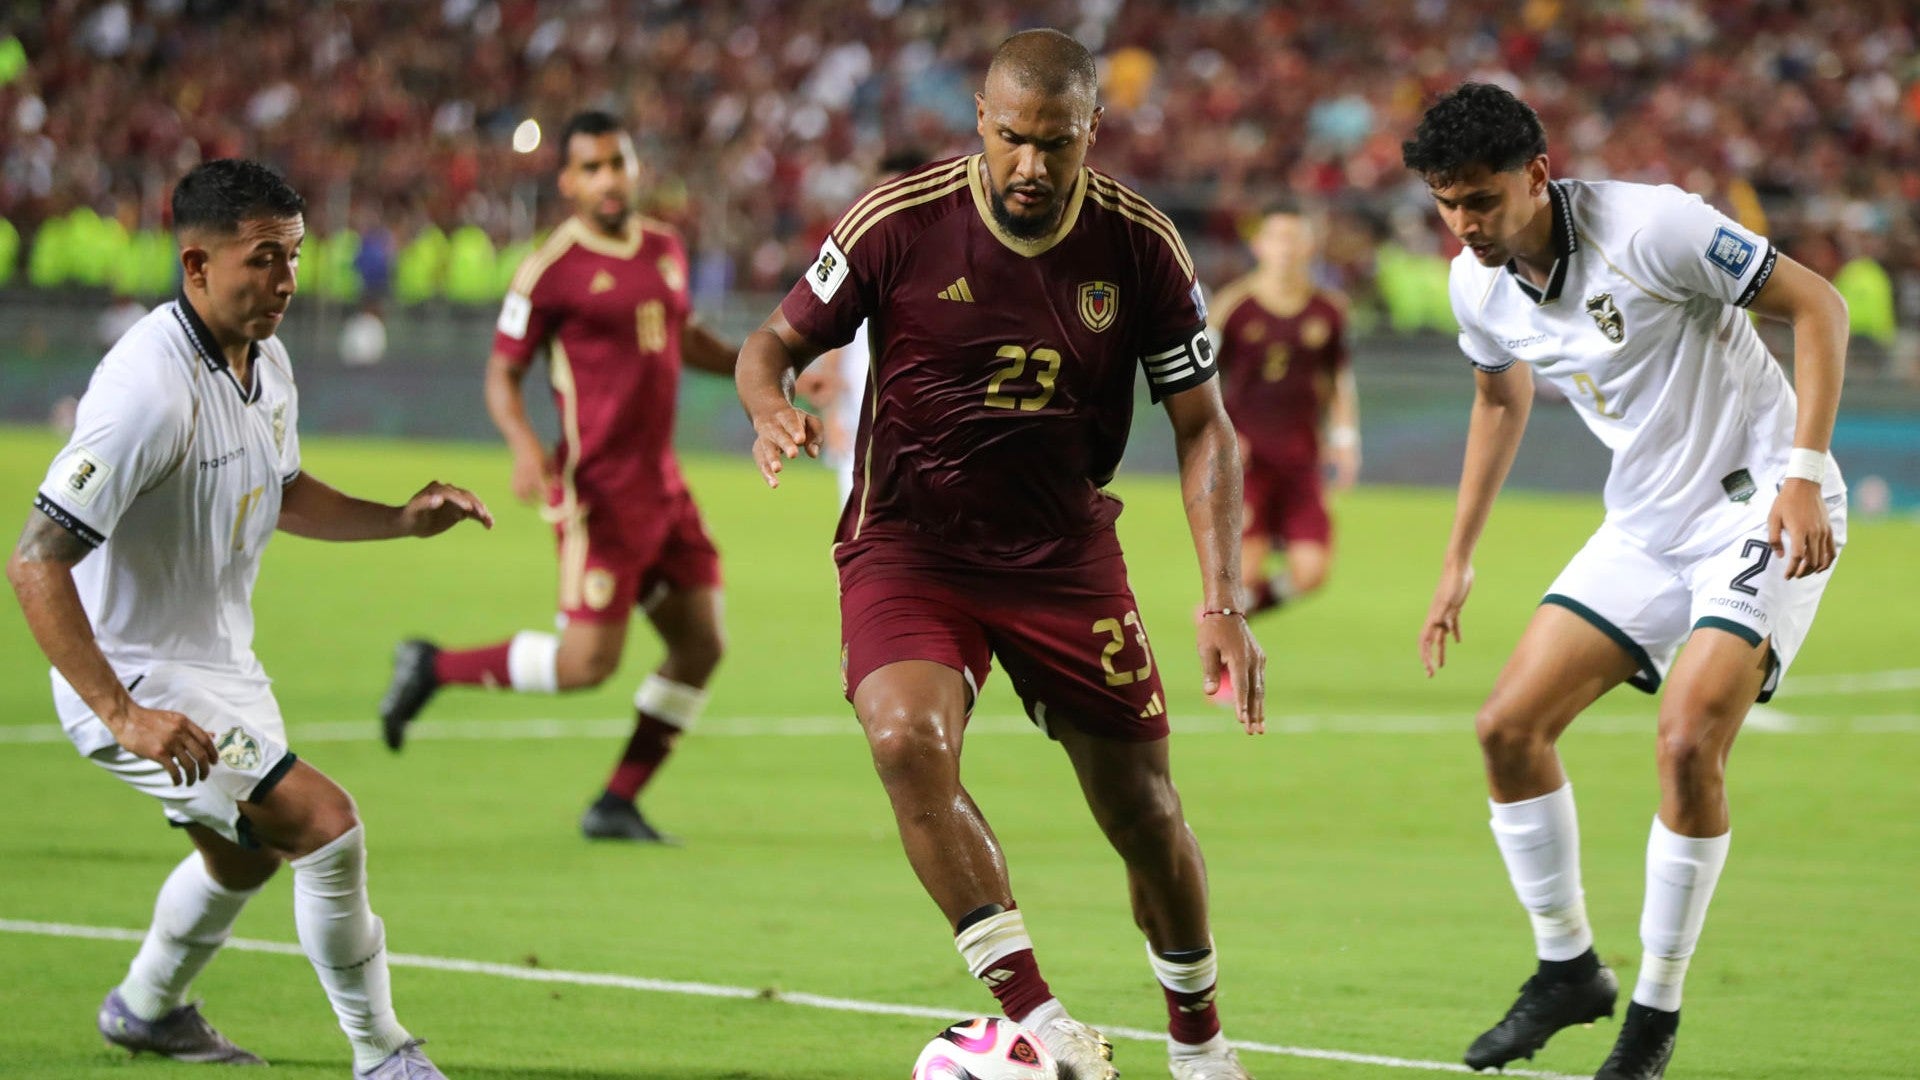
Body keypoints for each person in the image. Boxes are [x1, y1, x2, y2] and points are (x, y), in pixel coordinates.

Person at [736, 30, 1267, 1080]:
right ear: (980, 121)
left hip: (1064, 556)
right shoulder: (899, 221)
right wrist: (769, 407)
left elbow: (1204, 426)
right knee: (904, 739)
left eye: (1055, 146)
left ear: (1090, 134)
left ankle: (1201, 1044)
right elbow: (772, 344)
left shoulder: (1141, 246)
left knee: (1144, 812)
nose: (1030, 166)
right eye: (1012, 139)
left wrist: (1224, 598)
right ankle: (1039, 1018)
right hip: (909, 545)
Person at [6, 159, 491, 1078]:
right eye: (263, 259)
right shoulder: (144, 393)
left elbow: (285, 488)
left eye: (295, 256)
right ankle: (383, 1054)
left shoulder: (265, 362)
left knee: (246, 861)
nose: (286, 281)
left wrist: (398, 520)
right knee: (326, 823)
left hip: (221, 664)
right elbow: (35, 561)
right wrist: (123, 714)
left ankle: (146, 1008)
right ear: (196, 265)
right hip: (133, 674)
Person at [1405, 84, 1848, 1079]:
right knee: (1506, 729)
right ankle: (1568, 969)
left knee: (1689, 737)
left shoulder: (1653, 227)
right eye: (1448, 203)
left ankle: (1653, 1014)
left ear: (1536, 174)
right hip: (1645, 523)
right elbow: (1497, 397)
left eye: (1482, 200)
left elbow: (1818, 303)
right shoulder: (1475, 285)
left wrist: (1804, 478)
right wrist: (1457, 555)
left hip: (1757, 503)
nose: (1467, 225)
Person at [377, 111, 738, 844]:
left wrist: (759, 368)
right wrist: (521, 446)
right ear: (569, 181)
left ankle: (616, 802)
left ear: (635, 168)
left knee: (701, 643)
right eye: (593, 167)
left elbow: (682, 336)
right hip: (598, 495)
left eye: (619, 162)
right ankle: (435, 666)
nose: (609, 179)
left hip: (664, 488)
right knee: (584, 666)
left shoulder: (666, 248)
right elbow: (502, 375)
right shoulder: (550, 271)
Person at [1207, 201, 1359, 622]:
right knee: (1245, 567)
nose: (1286, 249)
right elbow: (1199, 382)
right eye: (1277, 238)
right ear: (1259, 246)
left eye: (1295, 239)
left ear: (1311, 246)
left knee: (1311, 573)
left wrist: (1345, 439)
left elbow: (1339, 380)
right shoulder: (1233, 306)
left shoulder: (1329, 309)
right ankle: (1222, 668)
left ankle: (1235, 617)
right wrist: (1221, 438)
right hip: (1246, 461)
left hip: (1302, 457)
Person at [794, 148, 930, 509]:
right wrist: (834, 416)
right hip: (862, 430)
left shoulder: (946, 264)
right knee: (858, 544)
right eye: (879, 194)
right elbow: (837, 341)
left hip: (928, 436)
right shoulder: (857, 256)